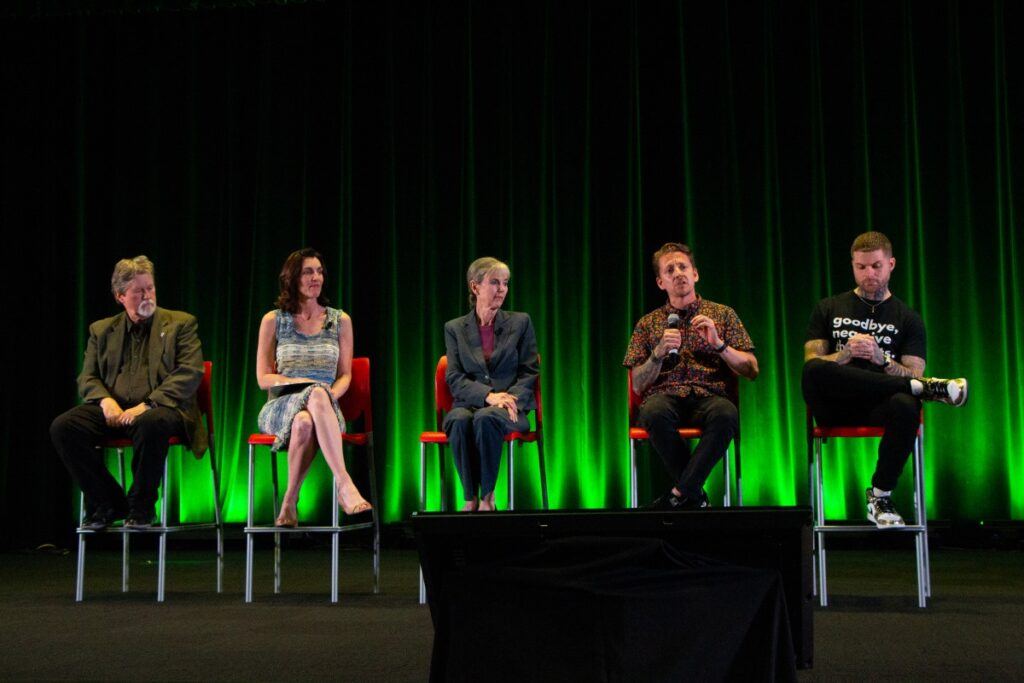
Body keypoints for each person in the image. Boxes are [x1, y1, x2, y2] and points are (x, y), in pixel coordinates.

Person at [803, 231, 967, 528]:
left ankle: (880, 495)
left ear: (891, 264)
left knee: (907, 403)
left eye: (876, 266)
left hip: (881, 406)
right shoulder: (827, 308)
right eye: (861, 267)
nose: (868, 274)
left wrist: (882, 360)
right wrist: (844, 355)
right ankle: (932, 390)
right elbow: (812, 363)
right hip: (835, 406)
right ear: (852, 266)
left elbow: (914, 371)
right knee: (813, 370)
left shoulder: (908, 318)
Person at [50, 256, 207, 530]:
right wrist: (106, 401)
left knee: (151, 422)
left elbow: (189, 372)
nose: (147, 295)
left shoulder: (181, 324)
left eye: (150, 288)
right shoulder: (101, 330)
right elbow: (87, 376)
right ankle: (108, 502)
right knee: (64, 427)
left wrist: (147, 404)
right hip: (115, 412)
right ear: (120, 296)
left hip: (164, 411)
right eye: (139, 291)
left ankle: (141, 507)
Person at [623, 242, 759, 510]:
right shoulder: (647, 323)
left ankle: (680, 492)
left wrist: (720, 344)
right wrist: (658, 353)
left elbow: (751, 369)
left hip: (710, 396)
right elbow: (637, 385)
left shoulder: (722, 314)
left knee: (726, 414)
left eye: (683, 267)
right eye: (670, 270)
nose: (678, 273)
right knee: (652, 413)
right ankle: (692, 493)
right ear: (661, 282)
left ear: (695, 274)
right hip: (665, 397)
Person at [255, 248, 371, 527]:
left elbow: (344, 375)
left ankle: (289, 501)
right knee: (313, 395)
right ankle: (344, 483)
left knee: (305, 422)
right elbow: (263, 379)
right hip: (281, 405)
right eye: (308, 272)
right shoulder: (274, 320)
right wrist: (303, 385)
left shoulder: (339, 321)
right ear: (292, 278)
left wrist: (329, 394)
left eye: (319, 271)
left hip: (325, 407)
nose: (316, 277)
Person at [443, 257, 539, 512]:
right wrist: (488, 396)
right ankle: (469, 497)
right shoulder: (454, 328)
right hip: (470, 404)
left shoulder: (520, 323)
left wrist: (509, 399)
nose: (502, 289)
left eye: (505, 283)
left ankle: (487, 497)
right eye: (494, 282)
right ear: (475, 287)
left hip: (510, 408)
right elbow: (454, 377)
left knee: (486, 418)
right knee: (457, 420)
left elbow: (529, 370)